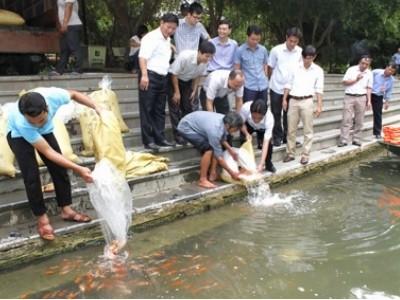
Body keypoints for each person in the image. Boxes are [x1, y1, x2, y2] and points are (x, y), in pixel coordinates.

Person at [7, 87, 102, 241]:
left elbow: (75, 94)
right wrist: (78, 168)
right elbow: (48, 152)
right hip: (18, 136)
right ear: (25, 116)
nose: (38, 124)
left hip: (46, 131)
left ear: (47, 109)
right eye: (34, 122)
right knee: (31, 176)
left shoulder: (54, 97)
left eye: (41, 120)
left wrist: (97, 107)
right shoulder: (22, 122)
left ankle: (66, 209)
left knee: (59, 168)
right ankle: (42, 219)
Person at [138, 13, 179, 150]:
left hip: (163, 77)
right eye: (168, 27)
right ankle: (148, 140)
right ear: (161, 23)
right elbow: (142, 57)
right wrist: (144, 75)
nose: (170, 31)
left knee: (160, 110)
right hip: (149, 76)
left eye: (173, 29)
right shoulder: (151, 37)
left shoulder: (167, 40)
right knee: (147, 109)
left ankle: (160, 138)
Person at [177, 111, 243, 188]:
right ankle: (203, 180)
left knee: (215, 147)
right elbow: (219, 158)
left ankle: (212, 174)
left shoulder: (225, 121)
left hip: (197, 123)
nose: (236, 131)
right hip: (186, 127)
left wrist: (231, 151)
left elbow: (221, 138)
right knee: (208, 149)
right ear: (228, 126)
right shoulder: (215, 129)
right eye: (236, 129)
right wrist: (232, 173)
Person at [282, 45, 324, 165]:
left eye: (310, 58)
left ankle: (305, 154)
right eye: (306, 57)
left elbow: (319, 89)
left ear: (314, 57)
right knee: (291, 129)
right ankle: (290, 153)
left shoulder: (318, 70)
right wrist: (284, 99)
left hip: (307, 100)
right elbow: (288, 84)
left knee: (308, 129)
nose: (308, 60)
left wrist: (319, 105)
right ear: (302, 56)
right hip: (293, 99)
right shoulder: (294, 67)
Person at [168, 41, 216, 145]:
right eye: (206, 56)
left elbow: (198, 75)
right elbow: (174, 74)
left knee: (188, 107)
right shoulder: (185, 56)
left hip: (188, 82)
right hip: (174, 80)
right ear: (199, 52)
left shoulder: (205, 62)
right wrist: (176, 92)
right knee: (175, 107)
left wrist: (194, 89)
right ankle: (178, 136)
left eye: (210, 57)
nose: (208, 59)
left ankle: (187, 133)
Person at [268, 27, 303, 147]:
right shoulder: (276, 50)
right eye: (291, 41)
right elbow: (270, 67)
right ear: (286, 38)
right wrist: (272, 80)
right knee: (276, 113)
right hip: (276, 87)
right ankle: (277, 136)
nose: (293, 44)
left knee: (289, 114)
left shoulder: (300, 51)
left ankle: (288, 137)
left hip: (292, 89)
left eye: (295, 42)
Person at [338, 55, 373, 147]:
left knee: (359, 120)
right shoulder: (351, 70)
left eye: (367, 64)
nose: (364, 65)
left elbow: (369, 88)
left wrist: (369, 101)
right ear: (359, 62)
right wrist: (356, 79)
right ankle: (343, 139)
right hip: (349, 96)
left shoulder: (369, 73)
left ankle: (356, 139)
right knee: (346, 119)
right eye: (363, 63)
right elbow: (344, 82)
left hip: (362, 97)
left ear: (369, 65)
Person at [239, 99, 276, 173]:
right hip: (249, 125)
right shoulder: (245, 108)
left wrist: (261, 164)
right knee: (243, 140)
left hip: (262, 128)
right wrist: (246, 133)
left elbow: (266, 142)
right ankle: (243, 164)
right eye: (254, 117)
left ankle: (268, 163)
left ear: (264, 114)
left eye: (259, 118)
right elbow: (241, 123)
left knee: (269, 144)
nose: (256, 120)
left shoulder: (269, 119)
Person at [235, 25, 269, 103]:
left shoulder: (263, 49)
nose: (255, 42)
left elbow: (265, 65)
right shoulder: (240, 51)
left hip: (263, 85)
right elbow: (237, 69)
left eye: (258, 39)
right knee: (248, 110)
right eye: (253, 39)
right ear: (247, 36)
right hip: (248, 86)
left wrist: (266, 76)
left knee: (262, 110)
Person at [53, 0, 83, 75]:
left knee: (74, 48)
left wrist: (65, 24)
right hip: (65, 26)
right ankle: (59, 70)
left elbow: (69, 6)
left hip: (72, 25)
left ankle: (78, 69)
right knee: (64, 49)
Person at [371, 63, 396, 139]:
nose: (390, 72)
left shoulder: (391, 79)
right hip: (369, 93)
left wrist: (387, 101)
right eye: (389, 70)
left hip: (379, 96)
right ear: (386, 67)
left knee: (378, 114)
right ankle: (354, 123)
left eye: (392, 71)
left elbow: (389, 91)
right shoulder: (375, 72)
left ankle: (377, 132)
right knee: (360, 110)